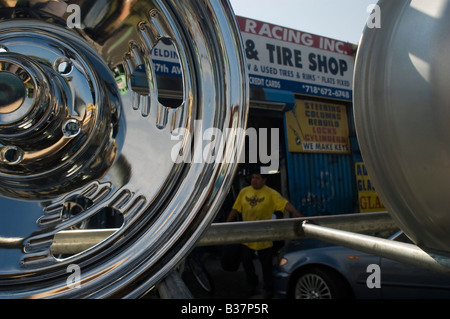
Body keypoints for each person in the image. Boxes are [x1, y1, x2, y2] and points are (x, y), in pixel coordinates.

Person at [226, 172, 302, 298]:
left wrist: (295, 212)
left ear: (264, 180)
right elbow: (236, 208)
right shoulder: (244, 192)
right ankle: (252, 285)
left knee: (266, 266)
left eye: (257, 178)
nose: (254, 180)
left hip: (264, 238)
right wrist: (228, 222)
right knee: (247, 264)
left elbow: (284, 203)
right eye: (253, 177)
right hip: (247, 237)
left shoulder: (271, 193)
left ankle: (268, 289)